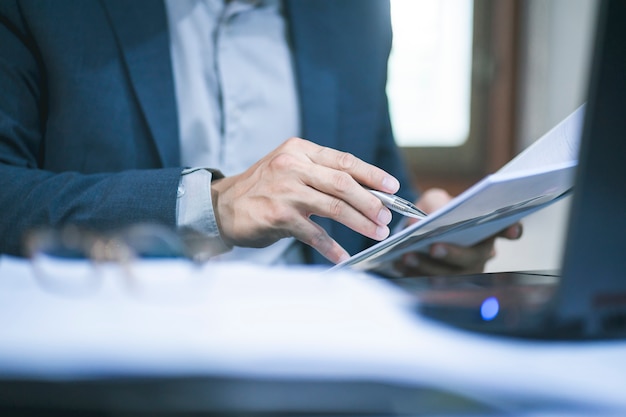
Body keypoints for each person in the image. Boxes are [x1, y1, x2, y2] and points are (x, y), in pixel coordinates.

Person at [0, 0, 521, 275]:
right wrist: (212, 205)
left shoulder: (356, 14)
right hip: (115, 358)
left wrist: (421, 245)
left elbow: (373, 202)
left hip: (318, 367)